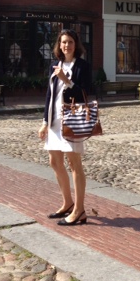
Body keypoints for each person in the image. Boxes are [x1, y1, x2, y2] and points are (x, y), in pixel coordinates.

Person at [38, 29, 93, 226]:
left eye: (70, 42)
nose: (66, 45)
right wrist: (44, 121)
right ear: (59, 45)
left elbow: (85, 93)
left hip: (72, 121)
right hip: (54, 121)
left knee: (74, 164)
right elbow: (49, 95)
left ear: (75, 44)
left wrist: (67, 81)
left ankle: (79, 210)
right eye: (63, 42)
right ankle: (67, 203)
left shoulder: (82, 66)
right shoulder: (54, 65)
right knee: (54, 162)